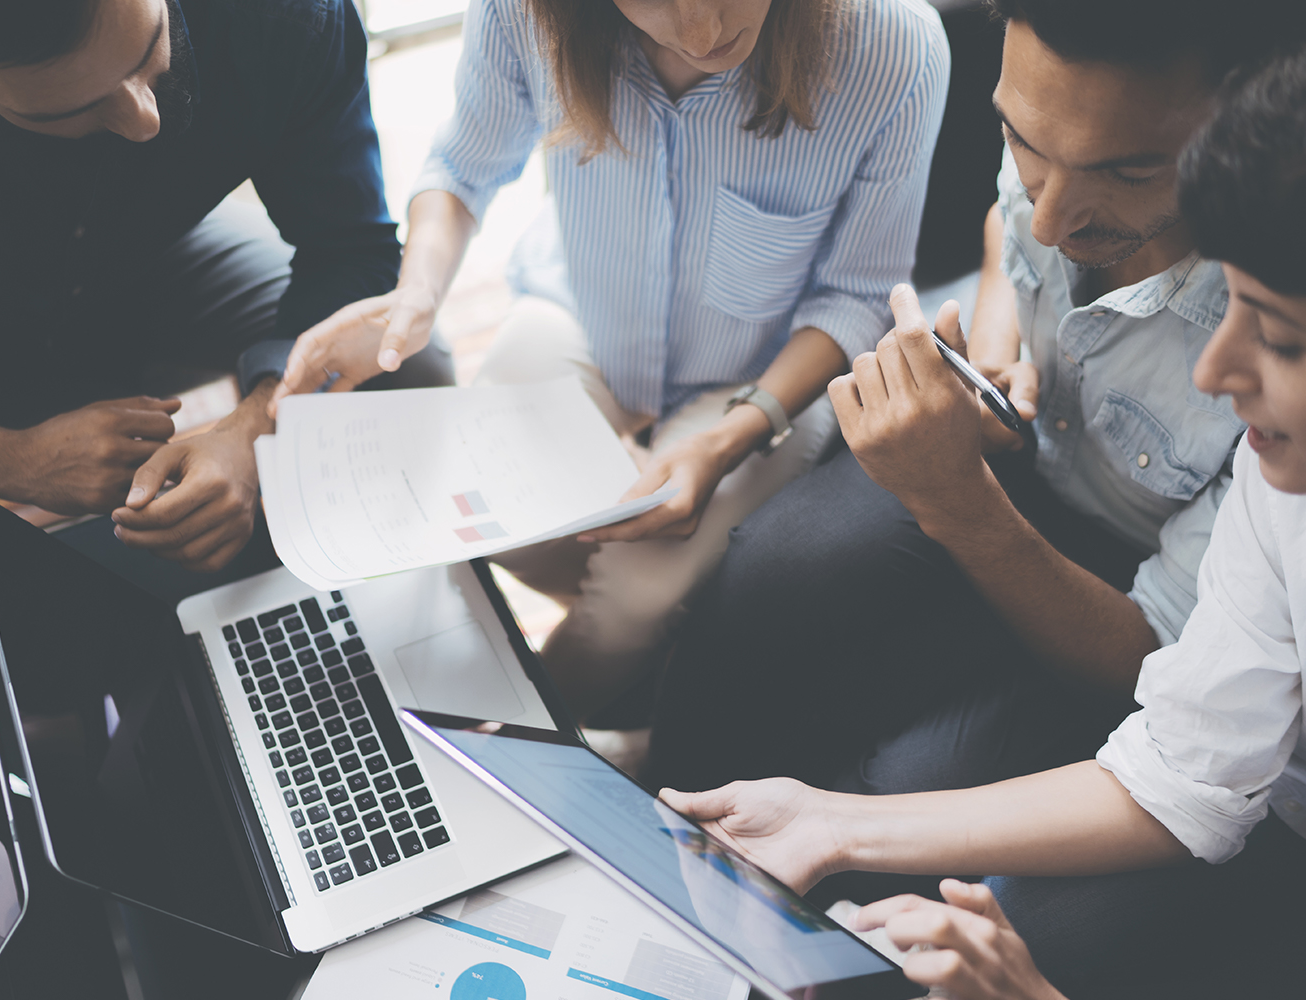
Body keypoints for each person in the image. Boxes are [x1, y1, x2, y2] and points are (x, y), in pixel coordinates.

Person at [661, 37, 1306, 997]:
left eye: (1282, 341)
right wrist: (828, 825)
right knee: (785, 572)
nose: (1218, 372)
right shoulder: (1304, 475)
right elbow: (1187, 770)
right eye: (1024, 146)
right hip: (1265, 784)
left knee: (990, 899)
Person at [645, 0, 1306, 812]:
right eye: (1023, 143)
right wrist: (995, 354)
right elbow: (1008, 228)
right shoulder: (1065, 128)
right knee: (771, 570)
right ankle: (652, 801)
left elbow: (1157, 663)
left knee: (905, 786)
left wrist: (957, 500)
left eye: (1127, 174)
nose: (1050, 218)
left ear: (1256, 116)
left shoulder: (1293, 335)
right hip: (1014, 466)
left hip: (1133, 596)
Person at [270, 0, 950, 719]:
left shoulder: (893, 47)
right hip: (583, 308)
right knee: (501, 526)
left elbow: (856, 294)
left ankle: (527, 735)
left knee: (638, 596)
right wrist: (416, 291)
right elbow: (463, 164)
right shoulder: (527, 12)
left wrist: (728, 439)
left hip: (768, 370)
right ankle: (669, 655)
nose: (702, 36)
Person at [0, 0, 452, 604]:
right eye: (74, 109)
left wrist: (256, 431)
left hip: (157, 263)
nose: (147, 122)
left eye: (151, 50)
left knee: (405, 367)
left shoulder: (286, 15)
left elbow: (350, 252)